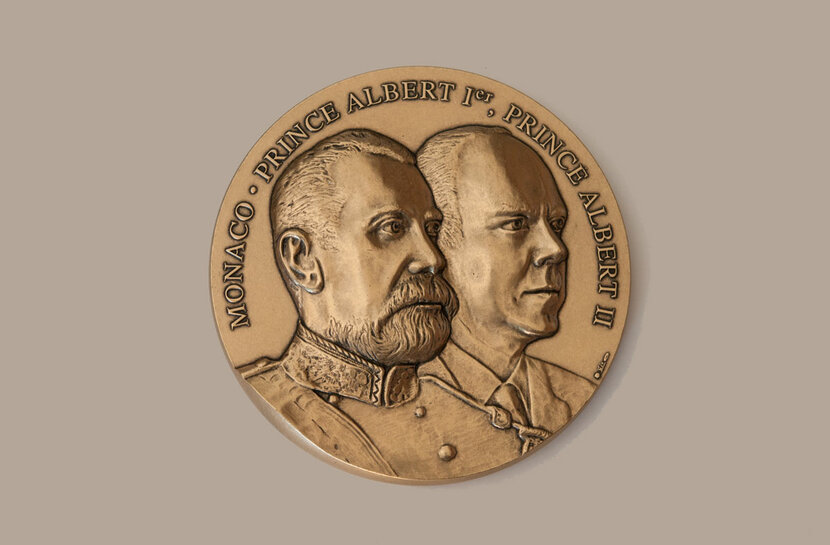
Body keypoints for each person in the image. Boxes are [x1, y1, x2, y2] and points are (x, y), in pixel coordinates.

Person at [238, 129, 459, 476]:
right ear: (302, 261)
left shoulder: (482, 418)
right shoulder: (254, 404)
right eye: (392, 228)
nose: (432, 258)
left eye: (431, 231)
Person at [415, 125, 596, 452]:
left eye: (556, 224)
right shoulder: (381, 411)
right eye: (515, 224)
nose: (556, 249)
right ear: (438, 243)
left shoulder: (582, 398)